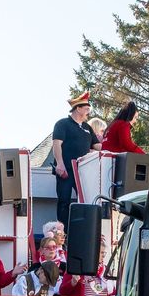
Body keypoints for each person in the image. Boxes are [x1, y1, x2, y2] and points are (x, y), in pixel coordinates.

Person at [51, 91, 101, 225]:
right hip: (66, 170)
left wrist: (113, 149)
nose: (88, 112)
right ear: (78, 108)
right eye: (87, 109)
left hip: (83, 171)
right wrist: (60, 164)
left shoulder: (87, 127)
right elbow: (57, 144)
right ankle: (62, 231)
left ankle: (82, 228)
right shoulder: (62, 124)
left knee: (85, 200)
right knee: (64, 200)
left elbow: (97, 145)